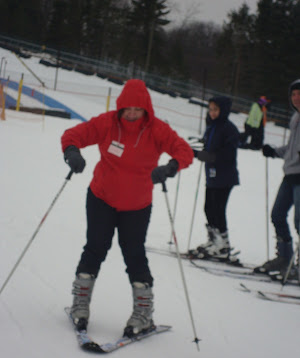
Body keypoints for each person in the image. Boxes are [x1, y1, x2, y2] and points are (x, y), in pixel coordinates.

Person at [61, 79, 193, 337]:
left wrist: (171, 167)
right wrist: (72, 152)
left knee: (133, 253)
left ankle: (143, 313)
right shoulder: (107, 123)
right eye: (127, 109)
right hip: (102, 197)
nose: (132, 114)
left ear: (147, 110)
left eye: (138, 109)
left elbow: (183, 149)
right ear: (119, 107)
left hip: (137, 204)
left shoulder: (157, 129)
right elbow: (73, 135)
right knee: (95, 247)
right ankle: (80, 305)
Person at [254, 79, 300, 281]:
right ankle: (284, 257)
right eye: (293, 94)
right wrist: (273, 151)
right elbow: (291, 149)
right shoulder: (295, 119)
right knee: (277, 215)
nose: (296, 98)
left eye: (299, 94)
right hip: (290, 174)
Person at [189, 96, 240, 260]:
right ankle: (214, 240)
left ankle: (223, 244)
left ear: (223, 110)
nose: (212, 113)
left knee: (218, 209)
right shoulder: (211, 126)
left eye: (215, 110)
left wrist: (203, 155)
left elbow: (226, 154)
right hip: (211, 174)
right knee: (208, 208)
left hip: (224, 175)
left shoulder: (228, 128)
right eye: (210, 109)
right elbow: (208, 145)